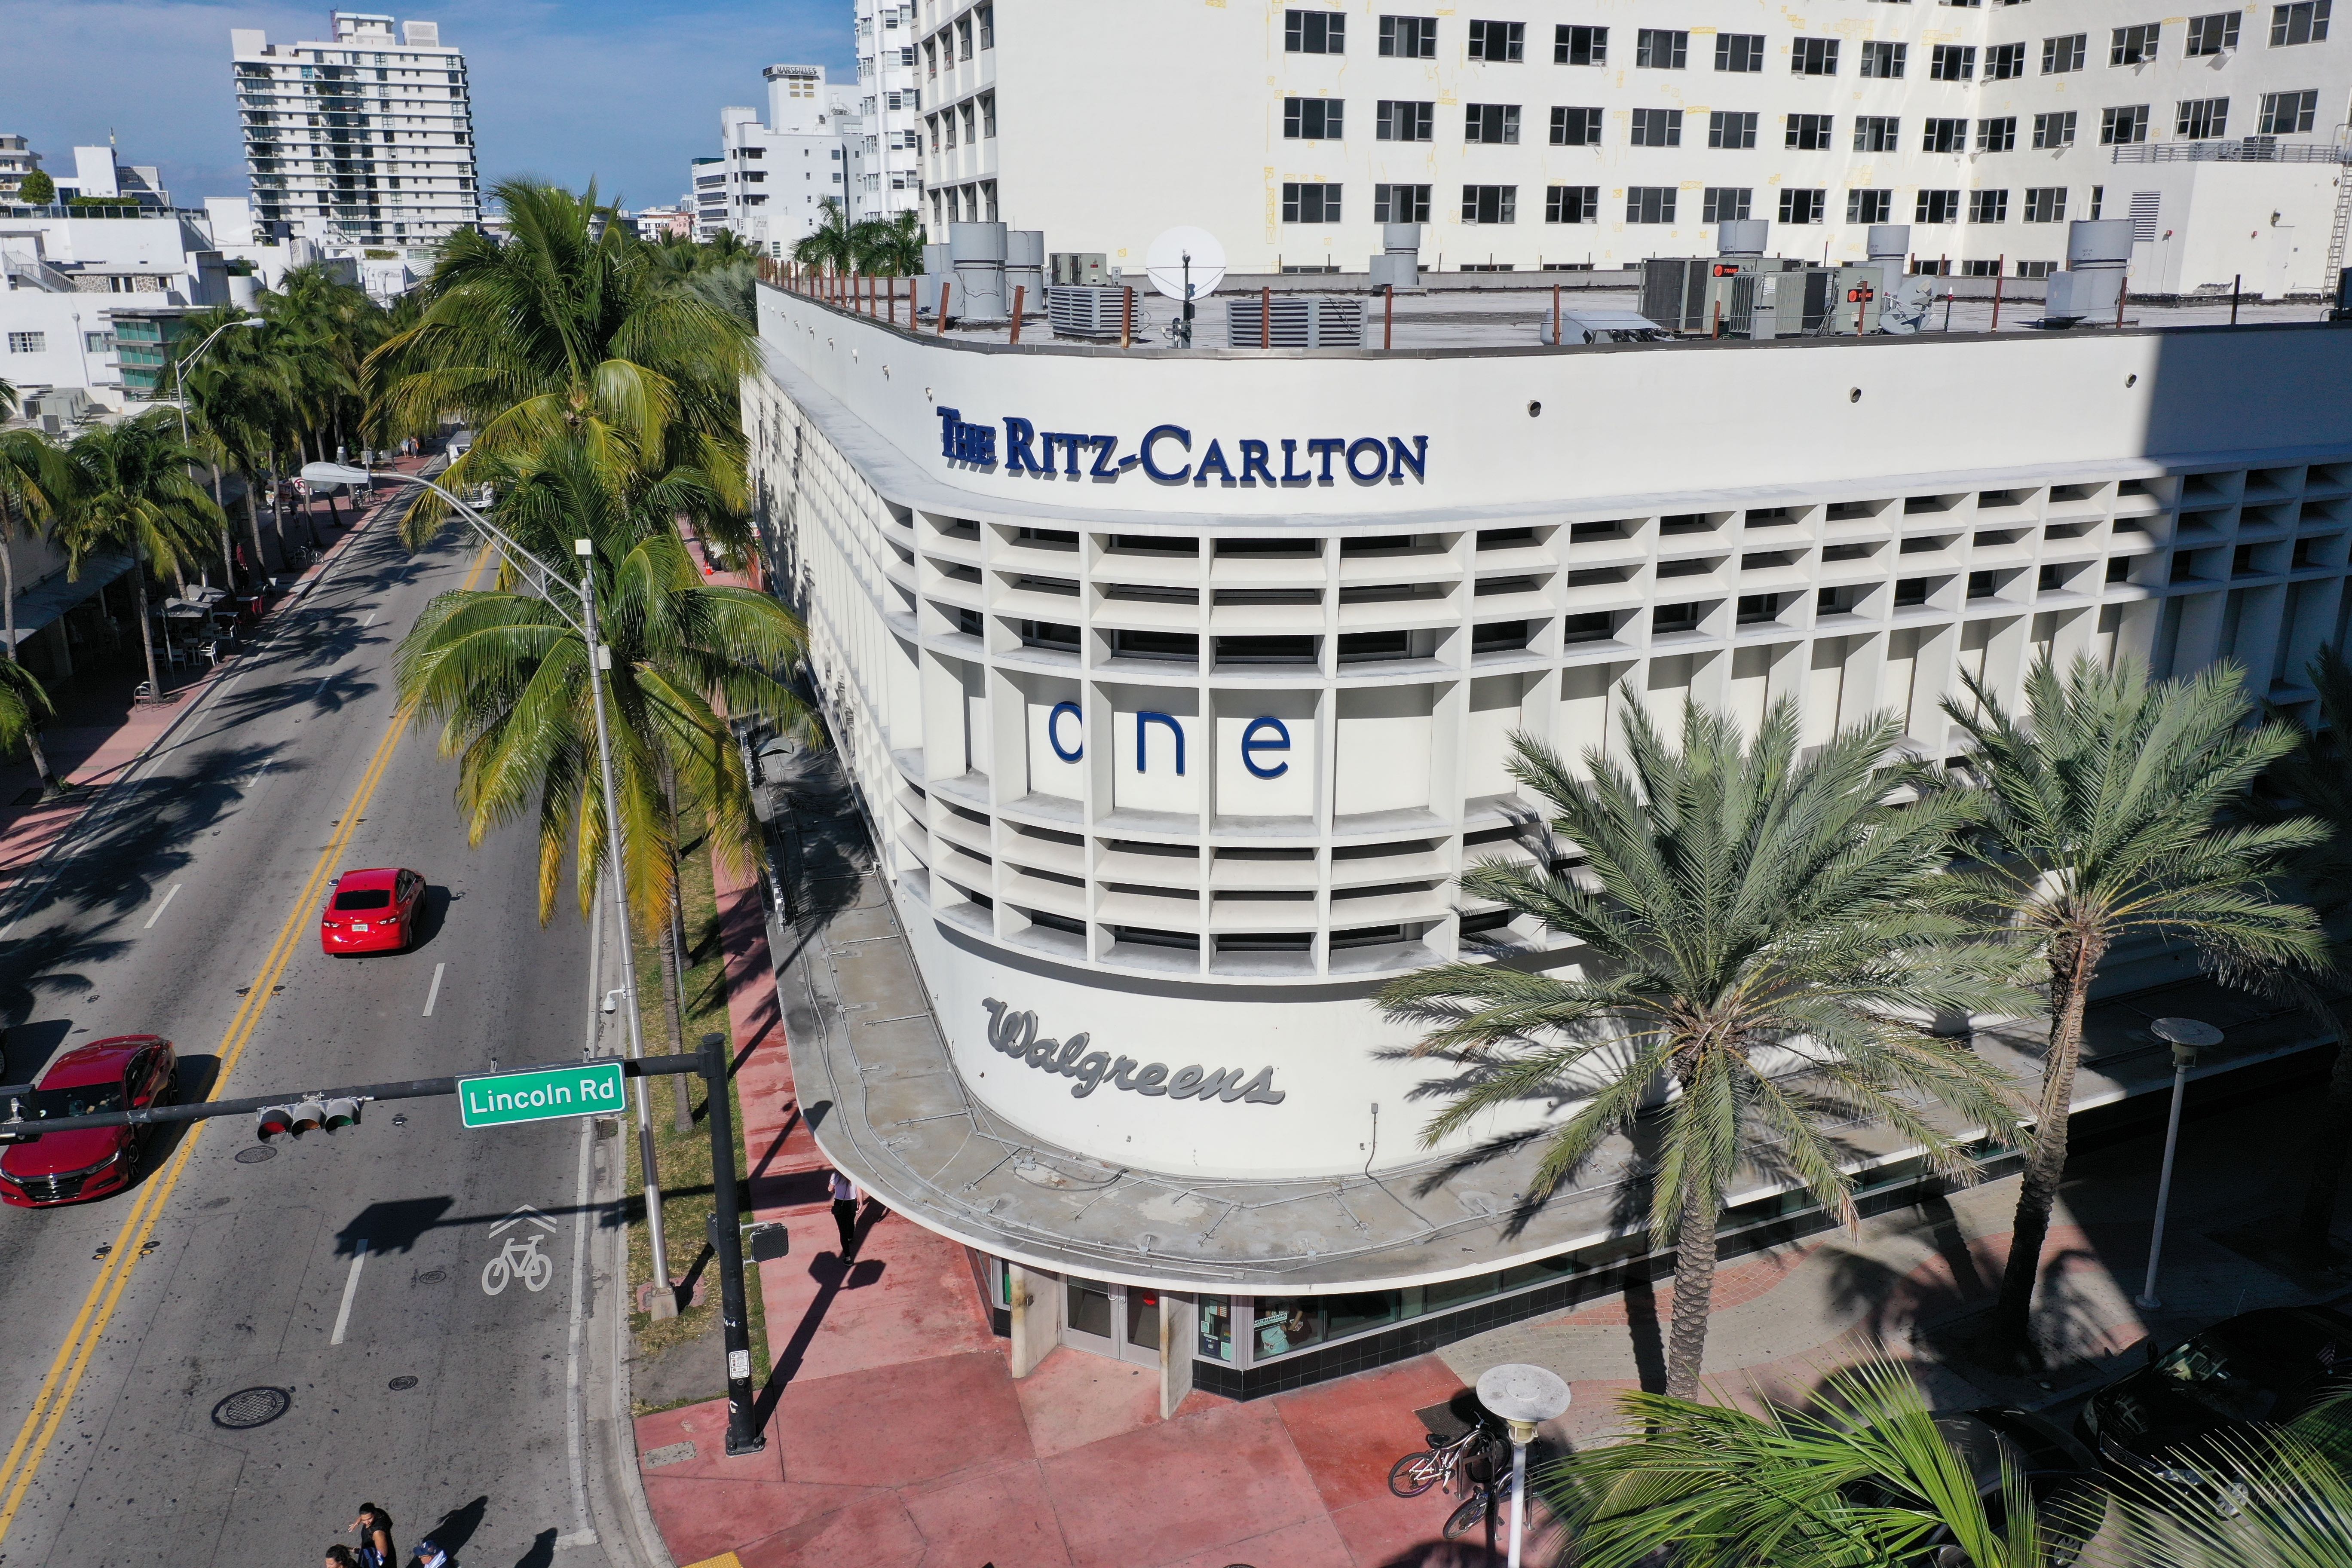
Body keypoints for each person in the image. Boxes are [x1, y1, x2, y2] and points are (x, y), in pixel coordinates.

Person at [829, 1167, 861, 1259]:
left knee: (842, 1231)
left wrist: (835, 1190)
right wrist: (861, 1203)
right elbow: (859, 1190)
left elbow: (830, 1189)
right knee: (851, 1221)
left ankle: (848, 1258)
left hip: (840, 1203)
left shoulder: (836, 1175)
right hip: (852, 1203)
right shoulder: (854, 1173)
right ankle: (850, 1237)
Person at [350, 1504, 396, 1568]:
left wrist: (360, 1552)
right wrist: (359, 1520)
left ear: (374, 1513)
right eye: (364, 1520)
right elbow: (367, 1515)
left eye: (370, 1519)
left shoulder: (378, 1533)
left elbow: (382, 1554)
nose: (367, 1522)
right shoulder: (380, 1512)